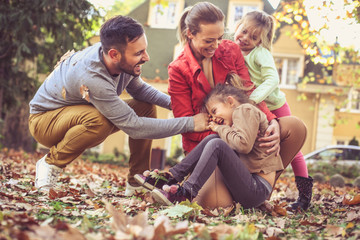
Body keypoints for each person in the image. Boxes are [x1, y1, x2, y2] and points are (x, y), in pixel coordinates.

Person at [28, 15, 209, 196]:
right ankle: (50, 163)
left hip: (73, 115)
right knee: (99, 120)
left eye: (144, 50)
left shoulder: (122, 62)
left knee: (145, 107)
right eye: (138, 53)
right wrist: (191, 122)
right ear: (114, 54)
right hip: (44, 122)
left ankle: (136, 182)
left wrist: (180, 106)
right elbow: (135, 127)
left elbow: (140, 91)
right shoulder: (92, 75)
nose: (146, 57)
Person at [136, 78, 284, 208]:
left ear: (230, 101)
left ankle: (187, 192)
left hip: (257, 188)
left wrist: (220, 128)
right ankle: (172, 177)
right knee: (213, 139)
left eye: (214, 110)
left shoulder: (245, 110)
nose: (213, 118)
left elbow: (243, 145)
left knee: (217, 144)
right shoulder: (239, 119)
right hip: (249, 185)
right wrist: (221, 130)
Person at [167, 2, 281, 157]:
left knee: (293, 127)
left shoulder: (231, 50)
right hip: (204, 145)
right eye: (209, 41)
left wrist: (271, 121)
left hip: (240, 137)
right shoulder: (178, 70)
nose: (215, 46)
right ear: (190, 34)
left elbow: (248, 91)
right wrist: (229, 136)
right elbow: (187, 125)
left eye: (219, 38)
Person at [233, 10, 312, 210]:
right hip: (257, 107)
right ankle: (253, 186)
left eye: (253, 37)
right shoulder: (233, 49)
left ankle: (304, 196)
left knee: (295, 152)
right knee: (259, 145)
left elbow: (272, 80)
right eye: (243, 32)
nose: (245, 39)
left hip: (275, 105)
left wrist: (253, 100)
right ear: (238, 26)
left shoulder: (261, 54)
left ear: (260, 41)